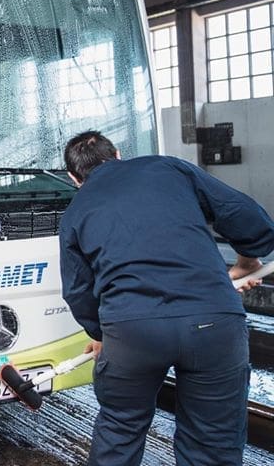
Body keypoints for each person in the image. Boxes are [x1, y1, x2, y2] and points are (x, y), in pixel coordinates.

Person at [59, 130, 274, 466]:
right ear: (118, 154)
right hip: (214, 320)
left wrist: (102, 334)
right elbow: (240, 211)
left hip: (133, 333)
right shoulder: (169, 168)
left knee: (119, 430)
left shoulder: (75, 211)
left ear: (75, 178)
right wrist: (248, 258)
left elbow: (77, 291)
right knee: (213, 444)